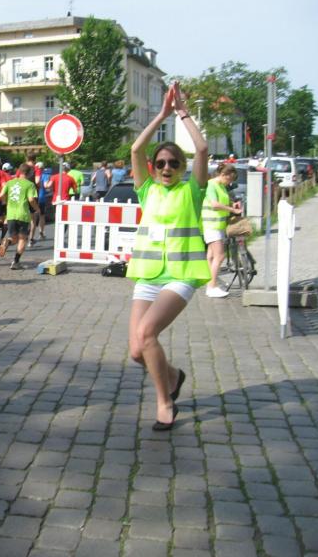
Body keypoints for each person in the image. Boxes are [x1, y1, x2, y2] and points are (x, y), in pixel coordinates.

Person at [127, 81, 210, 431]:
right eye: (160, 162)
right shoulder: (147, 190)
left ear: (182, 167)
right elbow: (135, 148)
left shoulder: (192, 191)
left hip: (181, 274)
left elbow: (202, 149)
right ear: (153, 166)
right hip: (148, 274)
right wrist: (160, 115)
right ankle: (173, 376)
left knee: (147, 333)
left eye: (173, 163)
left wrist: (182, 114)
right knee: (137, 351)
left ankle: (164, 403)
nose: (166, 167)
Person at [202, 163, 241, 298]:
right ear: (223, 175)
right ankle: (212, 287)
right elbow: (215, 204)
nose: (230, 182)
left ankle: (211, 283)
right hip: (211, 225)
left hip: (218, 225)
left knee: (211, 256)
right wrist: (232, 210)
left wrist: (232, 204)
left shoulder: (221, 186)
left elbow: (223, 201)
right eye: (229, 179)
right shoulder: (211, 185)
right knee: (220, 255)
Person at [0, 163, 38, 270]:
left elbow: (1, 195)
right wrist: (37, 209)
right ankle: (15, 262)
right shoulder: (30, 184)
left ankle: (7, 241)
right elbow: (31, 199)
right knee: (22, 239)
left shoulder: (9, 182)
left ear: (19, 171)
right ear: (29, 173)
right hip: (23, 214)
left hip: (10, 214)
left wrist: (6, 202)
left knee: (14, 238)